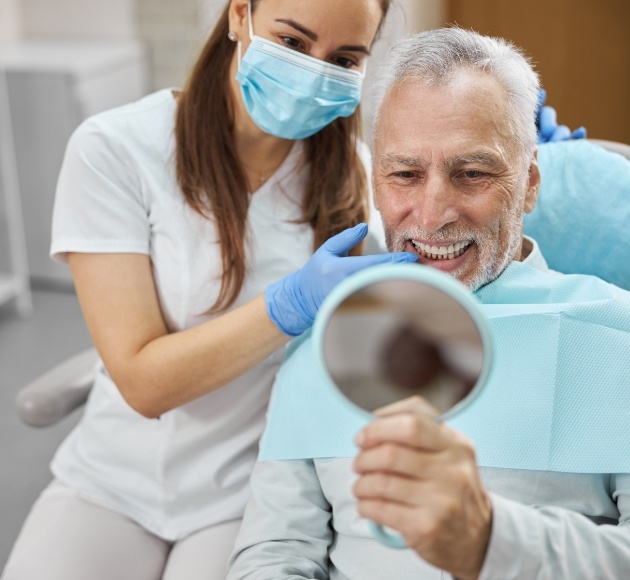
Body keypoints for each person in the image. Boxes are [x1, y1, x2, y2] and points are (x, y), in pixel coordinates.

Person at [2, 1, 422, 579]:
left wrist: (526, 167)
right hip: (111, 480)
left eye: (344, 58)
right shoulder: (117, 150)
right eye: (294, 43)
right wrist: (289, 305)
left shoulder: (354, 176)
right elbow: (143, 383)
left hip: (247, 492)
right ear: (239, 15)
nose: (314, 71)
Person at [227, 28, 630, 579]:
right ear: (376, 185)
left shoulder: (617, 337)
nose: (433, 212)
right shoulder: (323, 343)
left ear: (530, 184)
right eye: (405, 175)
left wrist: (489, 541)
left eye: (472, 174)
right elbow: (274, 551)